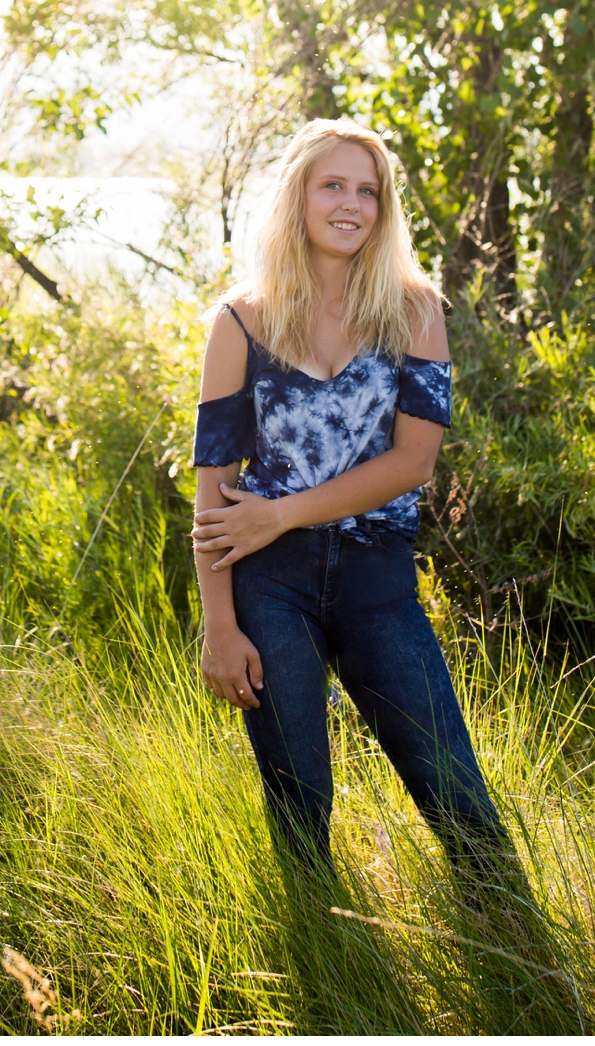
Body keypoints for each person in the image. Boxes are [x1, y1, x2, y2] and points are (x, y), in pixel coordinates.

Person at [190, 117, 516, 889]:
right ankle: (329, 969)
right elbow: (213, 494)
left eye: (368, 190)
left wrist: (281, 509)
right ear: (297, 195)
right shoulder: (240, 321)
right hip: (269, 582)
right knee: (300, 813)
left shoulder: (415, 311)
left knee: (462, 800)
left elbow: (415, 460)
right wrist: (220, 624)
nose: (351, 203)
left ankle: (521, 951)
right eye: (332, 184)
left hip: (376, 579)